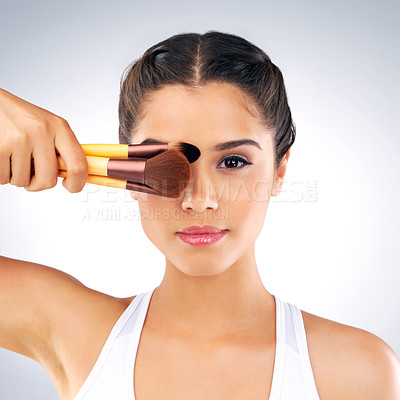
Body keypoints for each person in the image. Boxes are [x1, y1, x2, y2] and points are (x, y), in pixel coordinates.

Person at [0, 30, 399, 400]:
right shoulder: (68, 328)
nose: (198, 199)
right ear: (126, 170)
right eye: (163, 160)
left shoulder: (359, 370)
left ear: (279, 171)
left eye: (233, 161)